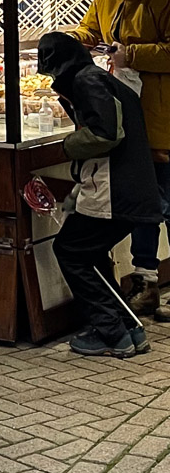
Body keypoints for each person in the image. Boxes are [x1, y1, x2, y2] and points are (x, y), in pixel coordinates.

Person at [38, 31, 161, 358]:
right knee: (88, 254)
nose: (51, 78)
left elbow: (106, 133)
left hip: (114, 190)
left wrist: (66, 146)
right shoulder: (96, 77)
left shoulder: (86, 81)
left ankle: (111, 333)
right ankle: (128, 328)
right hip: (131, 189)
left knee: (71, 251)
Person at [77, 0, 170, 317]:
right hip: (126, 120)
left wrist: (133, 55)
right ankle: (145, 281)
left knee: (168, 202)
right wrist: (77, 39)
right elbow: (91, 29)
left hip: (162, 119)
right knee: (142, 206)